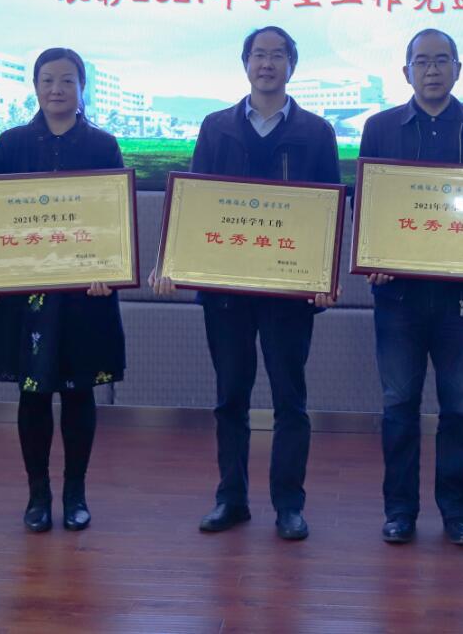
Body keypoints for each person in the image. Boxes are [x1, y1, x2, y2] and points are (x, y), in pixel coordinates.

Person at [152, 26, 340, 541]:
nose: (267, 63)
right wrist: (172, 261)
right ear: (245, 63)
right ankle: (230, 499)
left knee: (290, 402)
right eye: (259, 54)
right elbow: (193, 203)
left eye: (278, 55)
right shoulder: (216, 127)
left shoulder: (317, 132)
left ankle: (289, 505)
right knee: (230, 398)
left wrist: (324, 276)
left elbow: (330, 207)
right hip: (226, 291)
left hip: (289, 293)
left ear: (292, 66)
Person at [0, 48, 126, 533]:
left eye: (67, 80)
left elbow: (112, 219)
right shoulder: (12, 142)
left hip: (85, 293)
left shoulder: (102, 144)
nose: (57, 89)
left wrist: (109, 268)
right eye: (47, 80)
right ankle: (38, 495)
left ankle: (76, 493)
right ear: (35, 87)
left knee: (79, 393)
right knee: (32, 394)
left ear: (82, 87)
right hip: (24, 293)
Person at [359, 28, 463, 547]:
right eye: (422, 61)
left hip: (462, 297)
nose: (432, 70)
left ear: (458, 69)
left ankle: (457, 512)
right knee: (399, 407)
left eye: (442, 60)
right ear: (406, 72)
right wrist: (371, 253)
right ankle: (399, 511)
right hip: (397, 295)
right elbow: (367, 203)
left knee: (462, 408)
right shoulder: (380, 127)